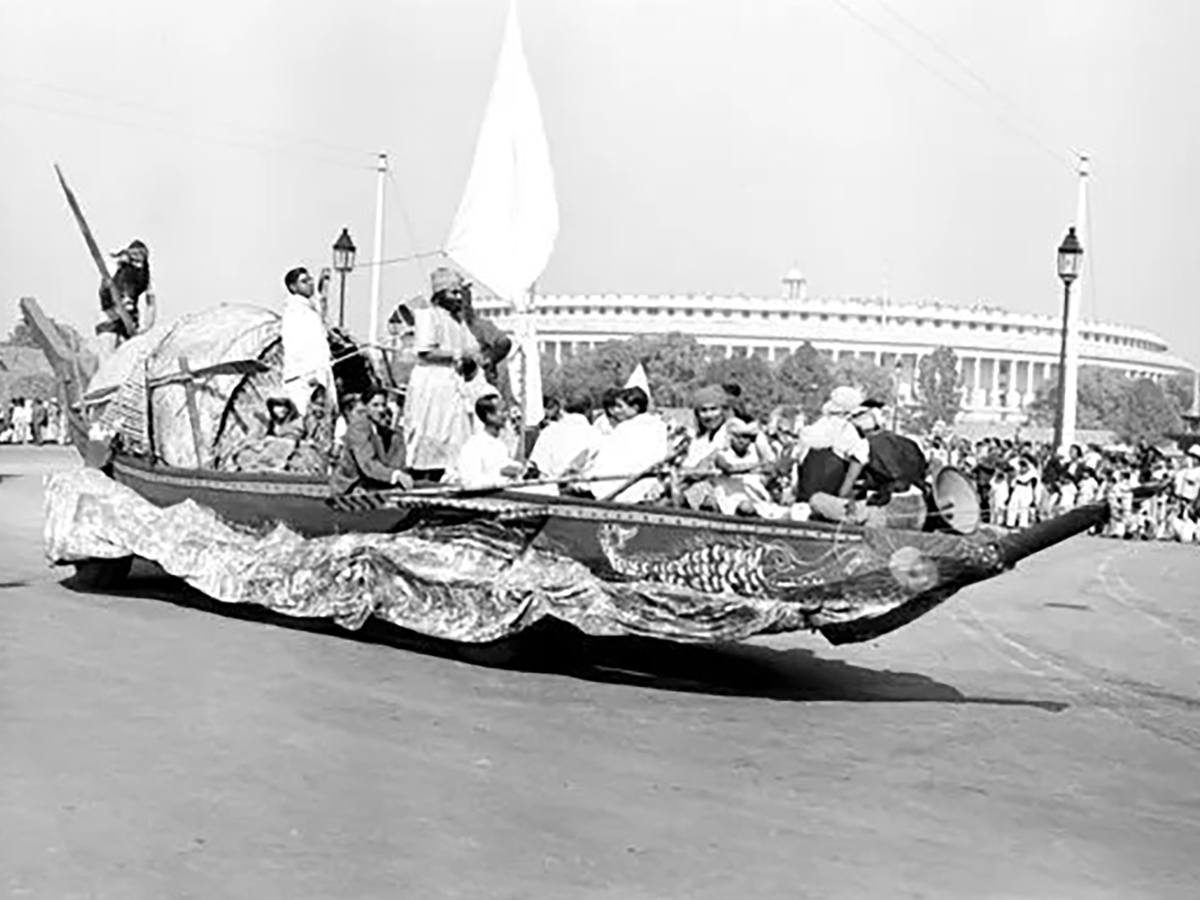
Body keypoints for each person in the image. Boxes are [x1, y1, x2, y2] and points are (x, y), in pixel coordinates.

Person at [402, 267, 492, 480]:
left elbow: (471, 348)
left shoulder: (457, 321)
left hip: (452, 384)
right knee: (430, 434)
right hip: (431, 384)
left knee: (454, 437)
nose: (458, 297)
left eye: (459, 293)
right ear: (441, 294)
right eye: (454, 293)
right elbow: (425, 352)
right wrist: (457, 354)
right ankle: (421, 477)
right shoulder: (427, 315)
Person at [797, 386, 872, 524]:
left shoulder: (817, 426)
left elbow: (800, 462)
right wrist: (843, 494)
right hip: (828, 498)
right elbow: (859, 460)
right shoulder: (847, 430)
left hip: (805, 497)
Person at [331, 387, 413, 493]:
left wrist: (399, 475)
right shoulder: (358, 428)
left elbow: (396, 463)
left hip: (376, 484)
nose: (381, 410)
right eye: (375, 405)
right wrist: (394, 475)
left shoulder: (391, 433)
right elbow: (367, 464)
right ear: (366, 407)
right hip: (350, 486)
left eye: (383, 405)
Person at [281, 266, 336, 419]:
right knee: (305, 415)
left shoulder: (308, 308)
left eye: (310, 280)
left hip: (318, 372)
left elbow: (320, 304)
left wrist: (323, 282)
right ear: (293, 287)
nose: (310, 284)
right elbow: (297, 346)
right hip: (304, 375)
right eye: (304, 281)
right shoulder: (294, 311)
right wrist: (310, 372)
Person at [451, 394, 527, 488]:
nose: (507, 414)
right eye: (502, 411)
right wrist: (501, 477)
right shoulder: (474, 446)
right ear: (489, 416)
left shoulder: (502, 444)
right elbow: (470, 482)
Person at [97, 239, 156, 356]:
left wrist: (146, 327)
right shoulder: (116, 268)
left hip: (129, 323)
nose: (138, 259)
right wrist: (113, 308)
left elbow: (151, 304)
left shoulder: (145, 277)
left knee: (125, 362)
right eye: (135, 254)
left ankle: (126, 305)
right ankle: (124, 303)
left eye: (142, 255)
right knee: (108, 360)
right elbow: (103, 292)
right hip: (109, 320)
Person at [529, 392, 599, 481]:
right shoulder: (595, 434)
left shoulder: (548, 432)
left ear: (562, 409)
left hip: (551, 487)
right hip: (583, 488)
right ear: (589, 411)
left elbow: (537, 464)